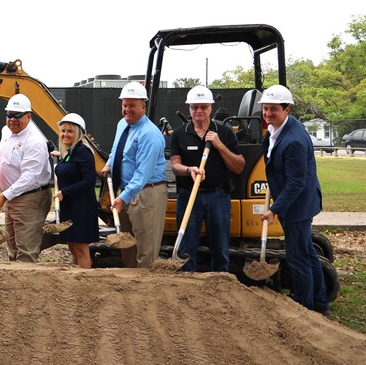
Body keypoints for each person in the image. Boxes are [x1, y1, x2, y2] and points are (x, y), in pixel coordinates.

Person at [260, 85, 330, 314]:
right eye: (265, 108)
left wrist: (274, 209)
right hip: (297, 203)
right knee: (307, 253)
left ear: (286, 109)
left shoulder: (294, 140)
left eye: (273, 109)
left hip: (298, 206)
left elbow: (297, 183)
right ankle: (320, 302)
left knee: (297, 257)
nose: (268, 113)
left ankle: (304, 306)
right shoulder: (278, 130)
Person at [170, 86, 245, 272]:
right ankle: (188, 284)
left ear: (210, 108)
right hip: (189, 196)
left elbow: (238, 165)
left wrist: (219, 145)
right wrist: (189, 170)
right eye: (194, 107)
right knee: (187, 247)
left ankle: (221, 281)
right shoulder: (180, 134)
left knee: (220, 246)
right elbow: (175, 166)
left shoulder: (225, 133)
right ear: (189, 109)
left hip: (217, 196)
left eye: (203, 107)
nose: (199, 111)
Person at [101, 82, 167, 269]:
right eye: (124, 105)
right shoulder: (122, 124)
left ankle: (146, 291)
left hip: (147, 194)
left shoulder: (150, 135)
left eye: (132, 105)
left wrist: (122, 197)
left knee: (146, 249)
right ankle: (130, 288)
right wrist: (108, 164)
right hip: (126, 192)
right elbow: (117, 150)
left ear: (143, 106)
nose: (127, 109)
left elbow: (142, 174)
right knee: (127, 245)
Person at [0, 94, 53, 263]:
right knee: (12, 246)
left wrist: (5, 195)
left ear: (28, 116)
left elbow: (30, 177)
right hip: (13, 197)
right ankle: (14, 285)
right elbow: (3, 152)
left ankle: (27, 285)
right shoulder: (7, 131)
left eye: (17, 115)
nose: (12, 119)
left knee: (26, 249)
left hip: (29, 198)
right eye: (9, 114)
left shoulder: (34, 141)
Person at [53, 113, 99, 269]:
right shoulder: (68, 153)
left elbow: (89, 181)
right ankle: (76, 280)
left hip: (81, 207)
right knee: (72, 247)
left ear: (78, 133)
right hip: (69, 206)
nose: (65, 134)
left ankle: (85, 280)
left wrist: (65, 192)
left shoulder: (83, 152)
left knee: (80, 249)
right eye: (63, 130)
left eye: (70, 131)